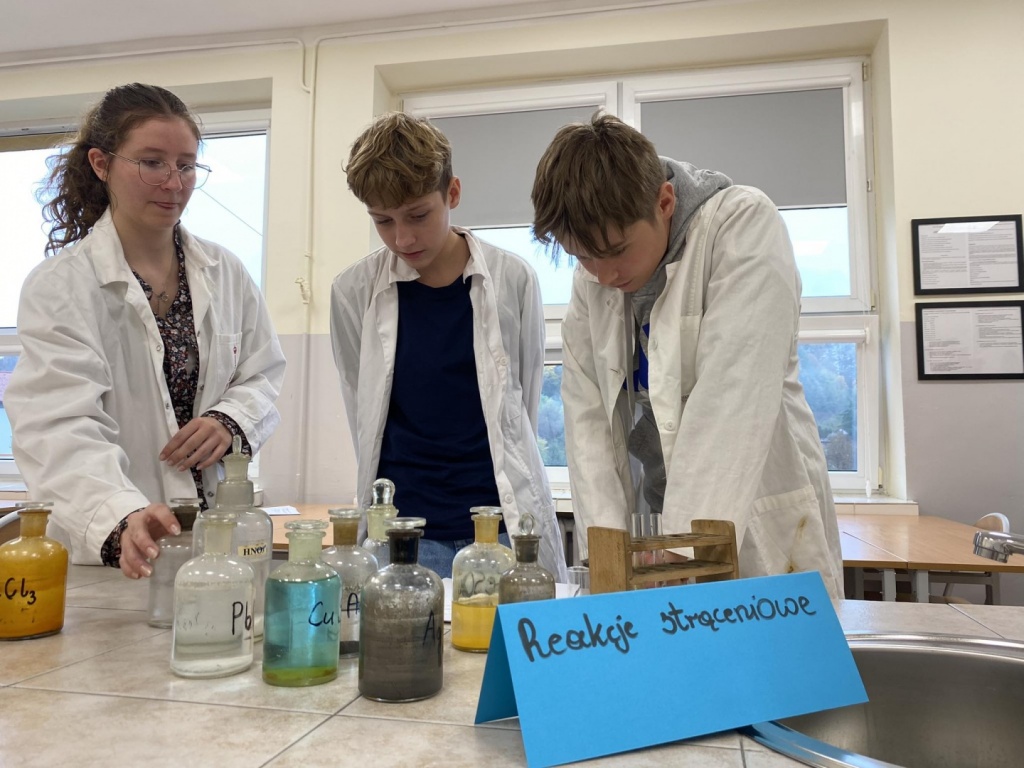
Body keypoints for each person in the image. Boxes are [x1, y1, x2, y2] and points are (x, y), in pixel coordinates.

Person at [531, 113, 843, 598]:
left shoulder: (741, 225)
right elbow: (587, 419)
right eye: (583, 256)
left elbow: (731, 400)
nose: (603, 275)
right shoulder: (592, 278)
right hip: (662, 519)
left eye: (616, 250)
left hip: (759, 515)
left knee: (767, 642)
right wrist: (607, 556)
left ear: (664, 201)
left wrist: (681, 551)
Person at [6, 83, 286, 579]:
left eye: (186, 165)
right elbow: (58, 427)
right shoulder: (61, 285)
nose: (174, 183)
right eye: (152, 163)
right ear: (101, 164)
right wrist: (121, 515)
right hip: (119, 548)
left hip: (216, 541)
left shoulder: (225, 272)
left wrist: (229, 419)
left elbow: (262, 373)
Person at [331, 112, 567, 581]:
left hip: (498, 528)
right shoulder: (353, 292)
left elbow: (519, 407)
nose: (402, 238)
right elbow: (363, 413)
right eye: (383, 221)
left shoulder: (512, 279)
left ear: (452, 193)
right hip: (401, 535)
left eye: (418, 215)